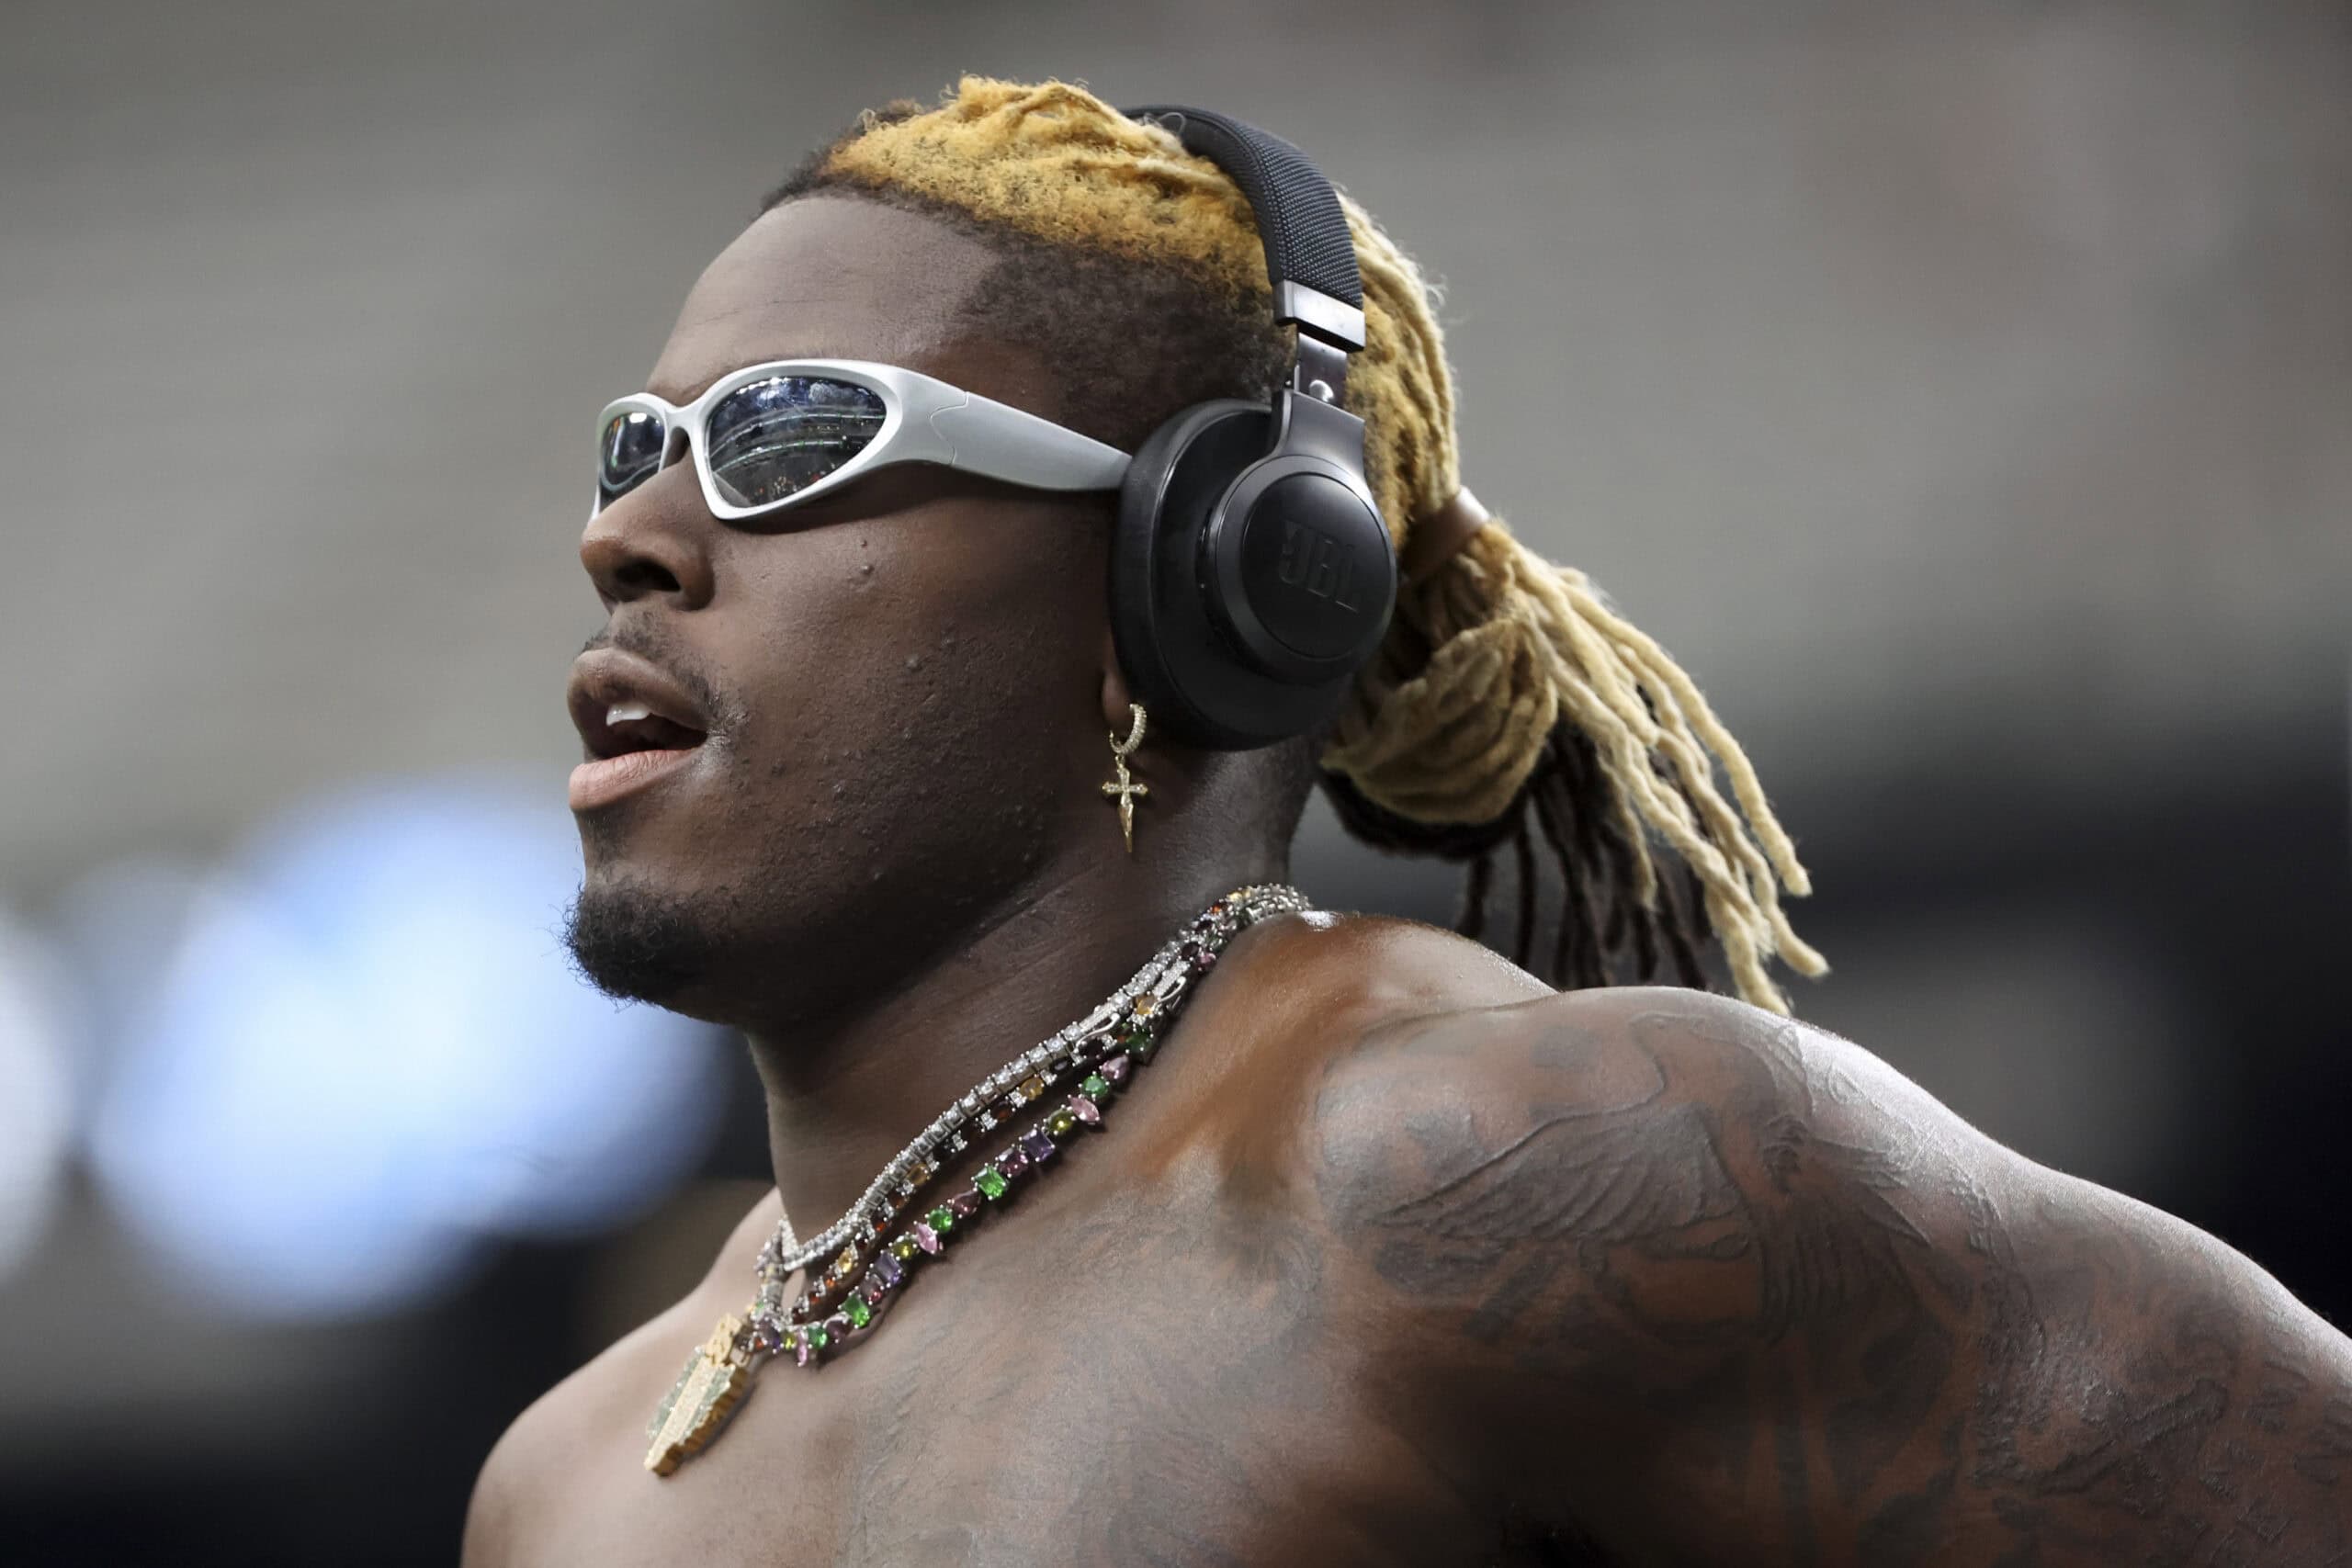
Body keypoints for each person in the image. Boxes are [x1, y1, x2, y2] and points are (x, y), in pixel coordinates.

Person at [462, 78, 2352, 1565]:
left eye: (793, 436)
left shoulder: (1501, 1175)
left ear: (1184, 581)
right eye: (638, 445)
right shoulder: (561, 1476)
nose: (625, 532)